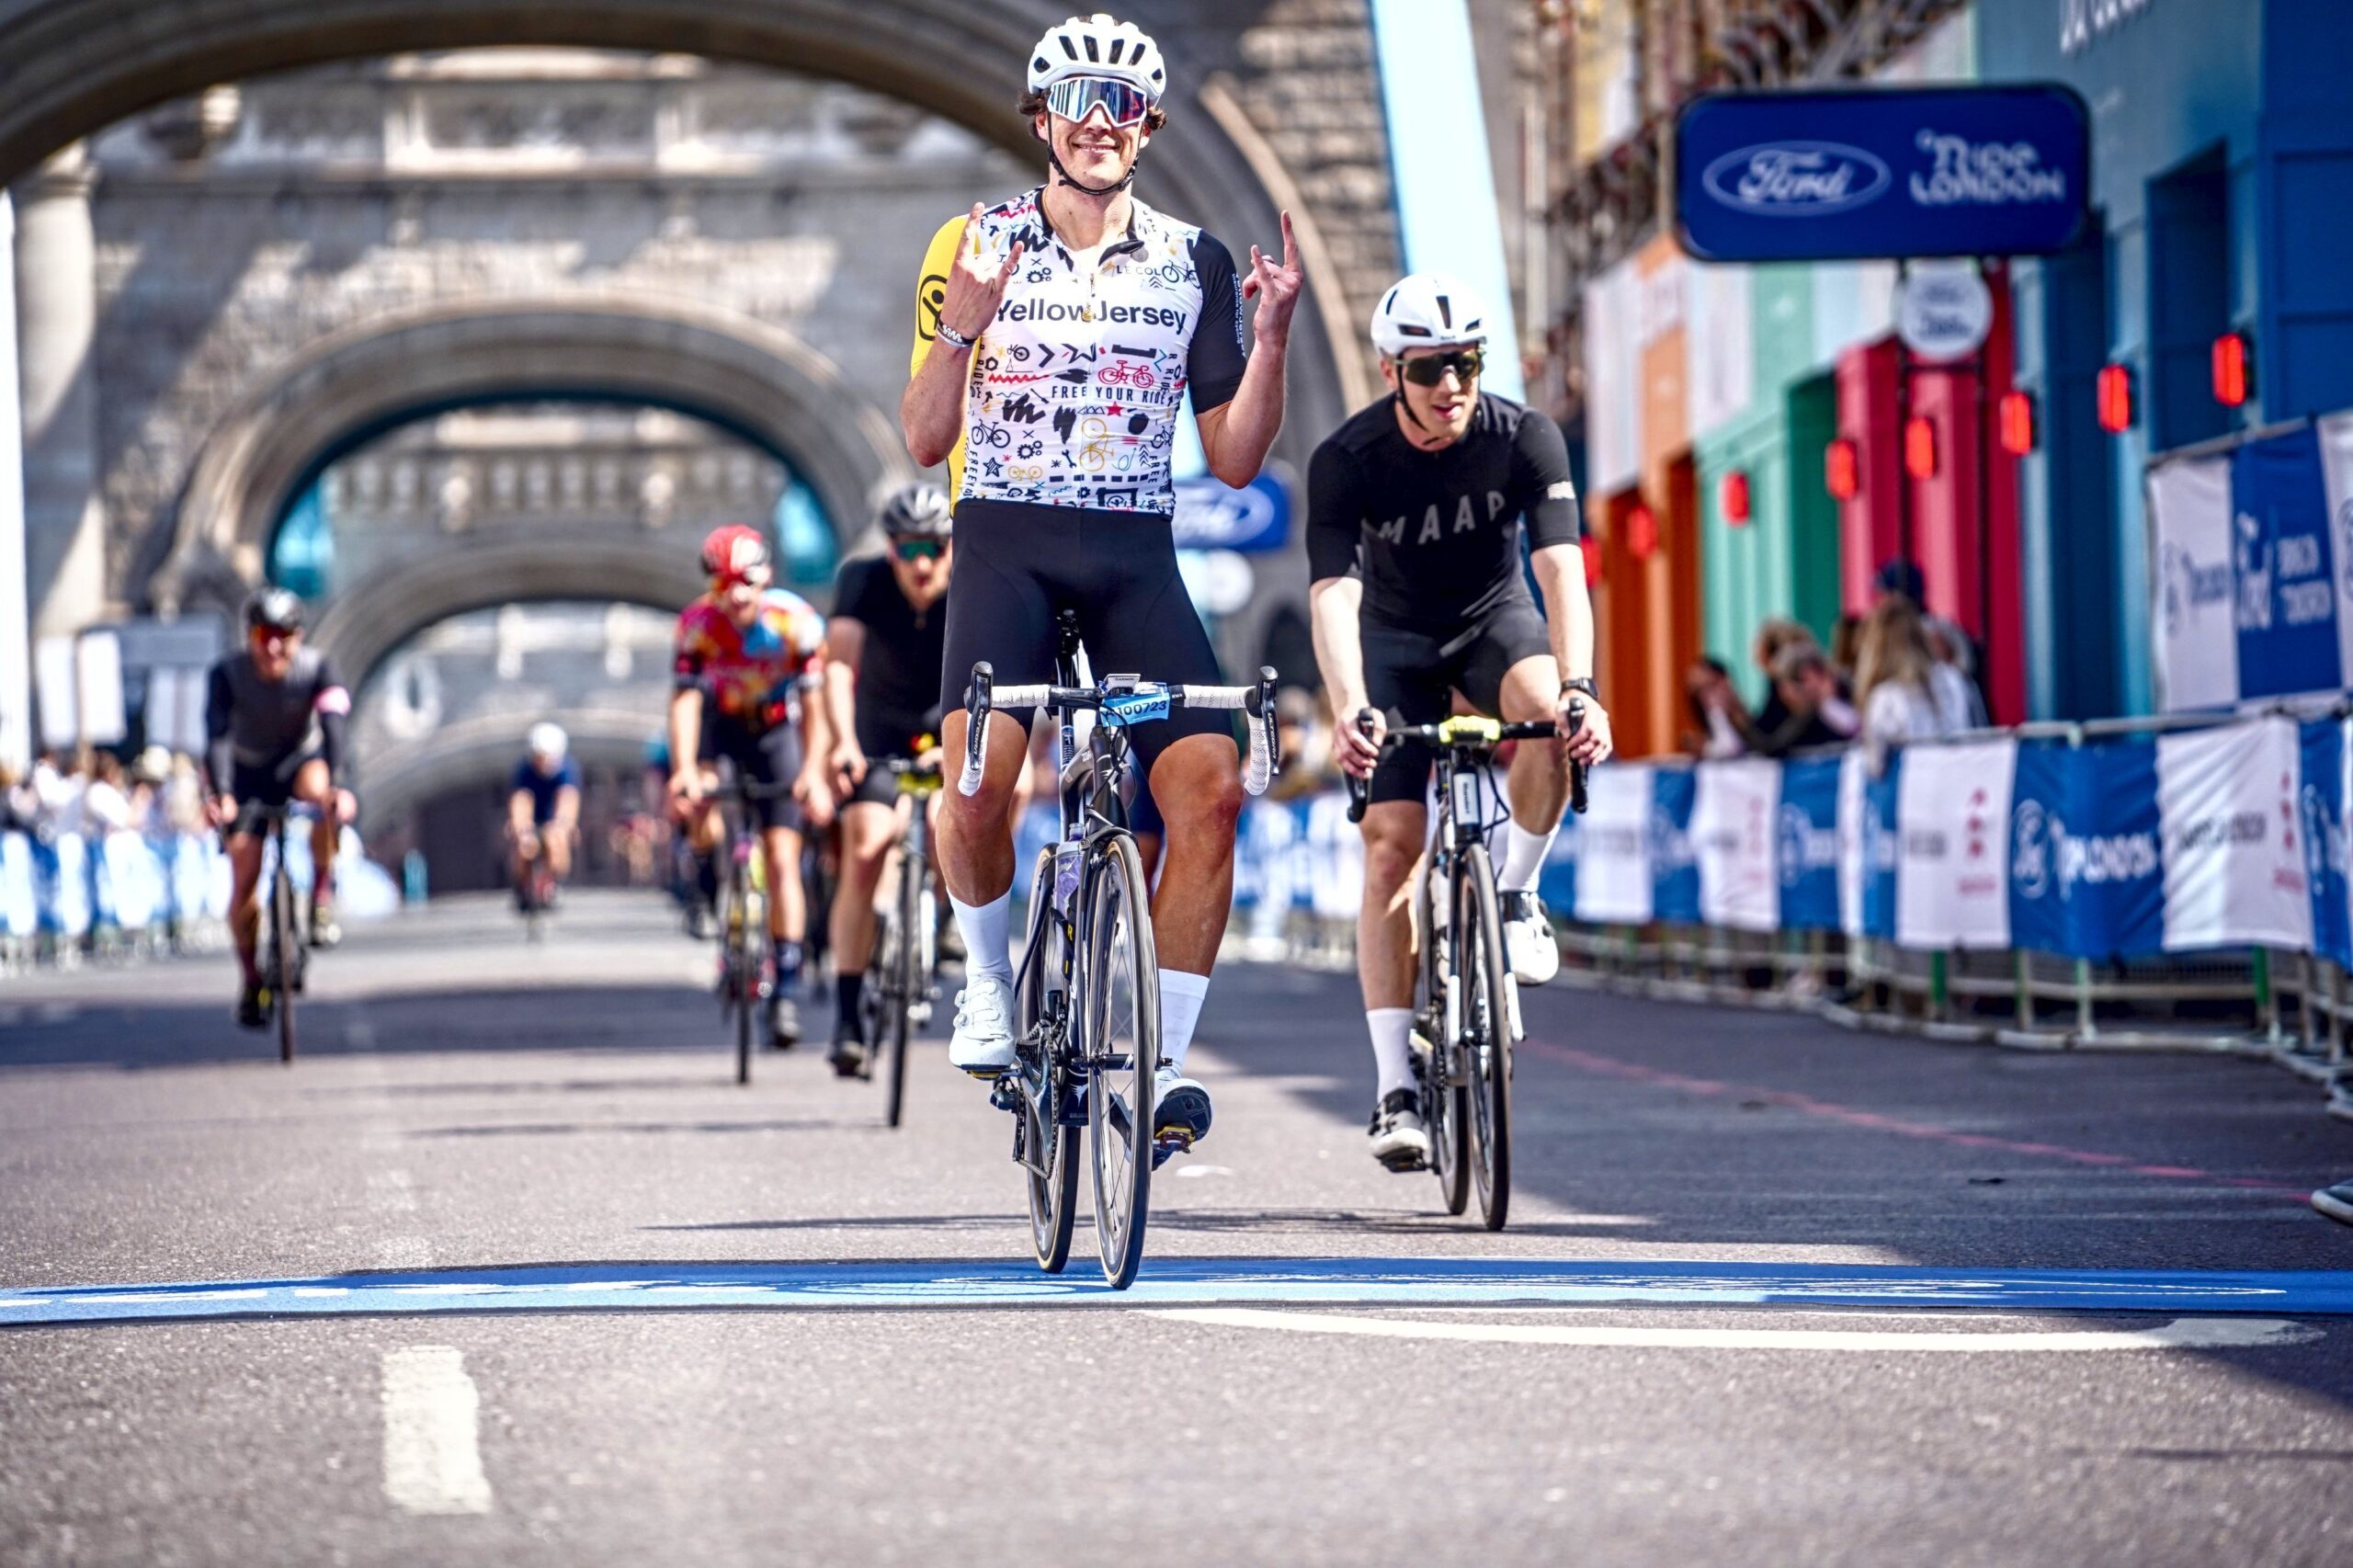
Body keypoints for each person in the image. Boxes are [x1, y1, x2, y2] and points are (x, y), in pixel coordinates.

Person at [901, 10, 1302, 1150]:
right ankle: (985, 978)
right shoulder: (970, 242)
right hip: (1003, 545)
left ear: (1148, 127)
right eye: (1073, 100)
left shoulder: (1195, 261)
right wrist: (960, 332)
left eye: (1119, 104)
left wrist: (1268, 340)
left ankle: (1164, 1059)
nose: (1096, 121)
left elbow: (1232, 458)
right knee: (976, 781)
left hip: (1133, 551)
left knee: (1211, 787)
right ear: (1040, 120)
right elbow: (926, 440)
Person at [1306, 271, 1613, 1171]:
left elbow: (1561, 571)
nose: (1452, 385)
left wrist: (1583, 686)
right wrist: (1346, 706)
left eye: (1467, 363)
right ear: (1389, 369)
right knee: (1392, 844)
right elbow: (1331, 593)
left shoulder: (1525, 436)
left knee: (1550, 714)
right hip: (1392, 641)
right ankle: (1393, 1084)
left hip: (1491, 620)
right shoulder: (1348, 458)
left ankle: (1514, 890)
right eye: (1431, 367)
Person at [668, 523, 834, 1049]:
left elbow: (815, 706)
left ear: (765, 578)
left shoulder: (795, 623)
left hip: (774, 732)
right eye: (722, 582)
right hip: (722, 726)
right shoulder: (696, 625)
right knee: (702, 804)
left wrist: (813, 770)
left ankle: (784, 989)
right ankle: (708, 884)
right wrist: (685, 770)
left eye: (745, 580)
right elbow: (687, 703)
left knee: (783, 859)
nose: (735, 593)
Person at [820, 483, 956, 1077]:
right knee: (867, 850)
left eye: (934, 548)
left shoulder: (976, 584)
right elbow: (838, 671)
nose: (921, 563)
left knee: (970, 821)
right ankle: (848, 1016)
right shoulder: (863, 581)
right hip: (878, 733)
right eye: (907, 550)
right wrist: (843, 743)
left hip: (946, 729)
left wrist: (957, 746)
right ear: (890, 550)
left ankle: (949, 916)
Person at [203, 587, 357, 1028]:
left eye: (282, 635)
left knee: (324, 795)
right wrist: (223, 796)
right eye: (262, 634)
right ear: (249, 636)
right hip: (246, 772)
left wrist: (340, 787)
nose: (272, 647)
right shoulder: (226, 675)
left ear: (298, 636)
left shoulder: (319, 668)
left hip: (298, 762)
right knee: (245, 873)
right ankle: (252, 979)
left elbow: (334, 728)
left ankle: (321, 894)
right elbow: (216, 737)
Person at [1854, 592, 1972, 777]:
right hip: (1957, 778)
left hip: (1913, 787)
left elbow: (1875, 764)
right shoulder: (1952, 678)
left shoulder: (1885, 696)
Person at [507, 722, 581, 914]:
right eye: (539, 758)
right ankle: (521, 884)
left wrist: (562, 826)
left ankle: (553, 883)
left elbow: (567, 800)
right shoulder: (524, 770)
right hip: (532, 817)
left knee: (556, 840)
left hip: (553, 818)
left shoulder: (567, 769)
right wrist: (521, 829)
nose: (544, 763)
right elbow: (521, 800)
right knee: (524, 846)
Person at [1756, 641, 1860, 755]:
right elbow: (1773, 746)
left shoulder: (1852, 690)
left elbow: (1856, 729)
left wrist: (1828, 702)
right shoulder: (1808, 712)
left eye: (1806, 679)